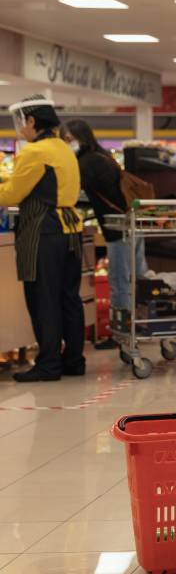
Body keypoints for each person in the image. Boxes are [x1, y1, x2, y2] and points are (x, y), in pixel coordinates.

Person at [1, 96, 85, 382]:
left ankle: (48, 365)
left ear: (32, 121)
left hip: (44, 231)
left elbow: (12, 195)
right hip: (71, 230)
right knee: (68, 298)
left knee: (43, 298)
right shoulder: (63, 148)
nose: (20, 128)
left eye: (21, 121)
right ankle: (74, 360)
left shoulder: (34, 152)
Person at [62, 119, 148, 349]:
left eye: (69, 139)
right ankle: (143, 323)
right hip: (133, 224)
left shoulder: (87, 162)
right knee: (139, 277)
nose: (67, 144)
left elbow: (73, 194)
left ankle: (122, 334)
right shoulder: (103, 155)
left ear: (81, 137)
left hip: (117, 230)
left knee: (119, 282)